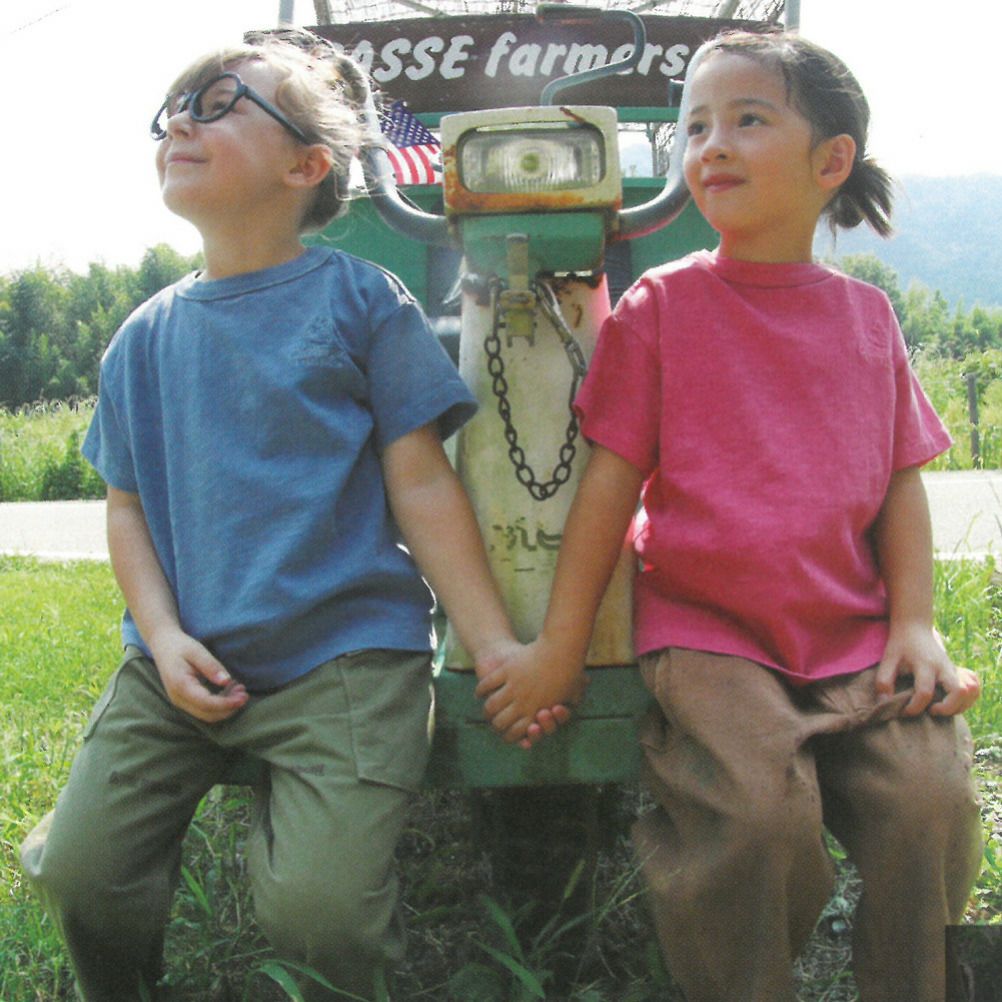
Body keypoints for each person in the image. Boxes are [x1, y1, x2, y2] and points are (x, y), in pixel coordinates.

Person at [477, 29, 983, 1002]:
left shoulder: (866, 318)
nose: (711, 144)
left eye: (748, 120)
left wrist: (915, 623)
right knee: (755, 819)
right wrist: (559, 651)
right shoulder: (663, 306)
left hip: (854, 631)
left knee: (932, 800)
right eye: (697, 126)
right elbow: (608, 490)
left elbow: (901, 483)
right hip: (711, 636)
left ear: (831, 161)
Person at [19, 34, 527, 1002]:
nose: (181, 121)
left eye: (219, 104)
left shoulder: (359, 301)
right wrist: (163, 637)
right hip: (178, 669)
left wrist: (491, 640)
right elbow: (127, 511)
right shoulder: (140, 340)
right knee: (82, 874)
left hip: (344, 662)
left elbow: (422, 487)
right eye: (175, 108)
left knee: (320, 914)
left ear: (307, 165)